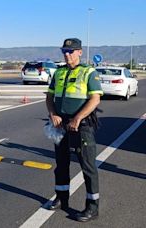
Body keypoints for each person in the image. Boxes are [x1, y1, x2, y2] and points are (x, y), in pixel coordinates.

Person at [45, 38, 103, 222]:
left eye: (70, 51)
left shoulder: (88, 72)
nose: (67, 54)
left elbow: (95, 99)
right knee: (61, 164)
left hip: (81, 126)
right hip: (61, 126)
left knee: (88, 167)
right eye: (64, 51)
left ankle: (92, 207)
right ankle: (62, 199)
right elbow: (50, 96)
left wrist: (78, 118)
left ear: (80, 52)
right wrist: (52, 114)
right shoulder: (59, 72)